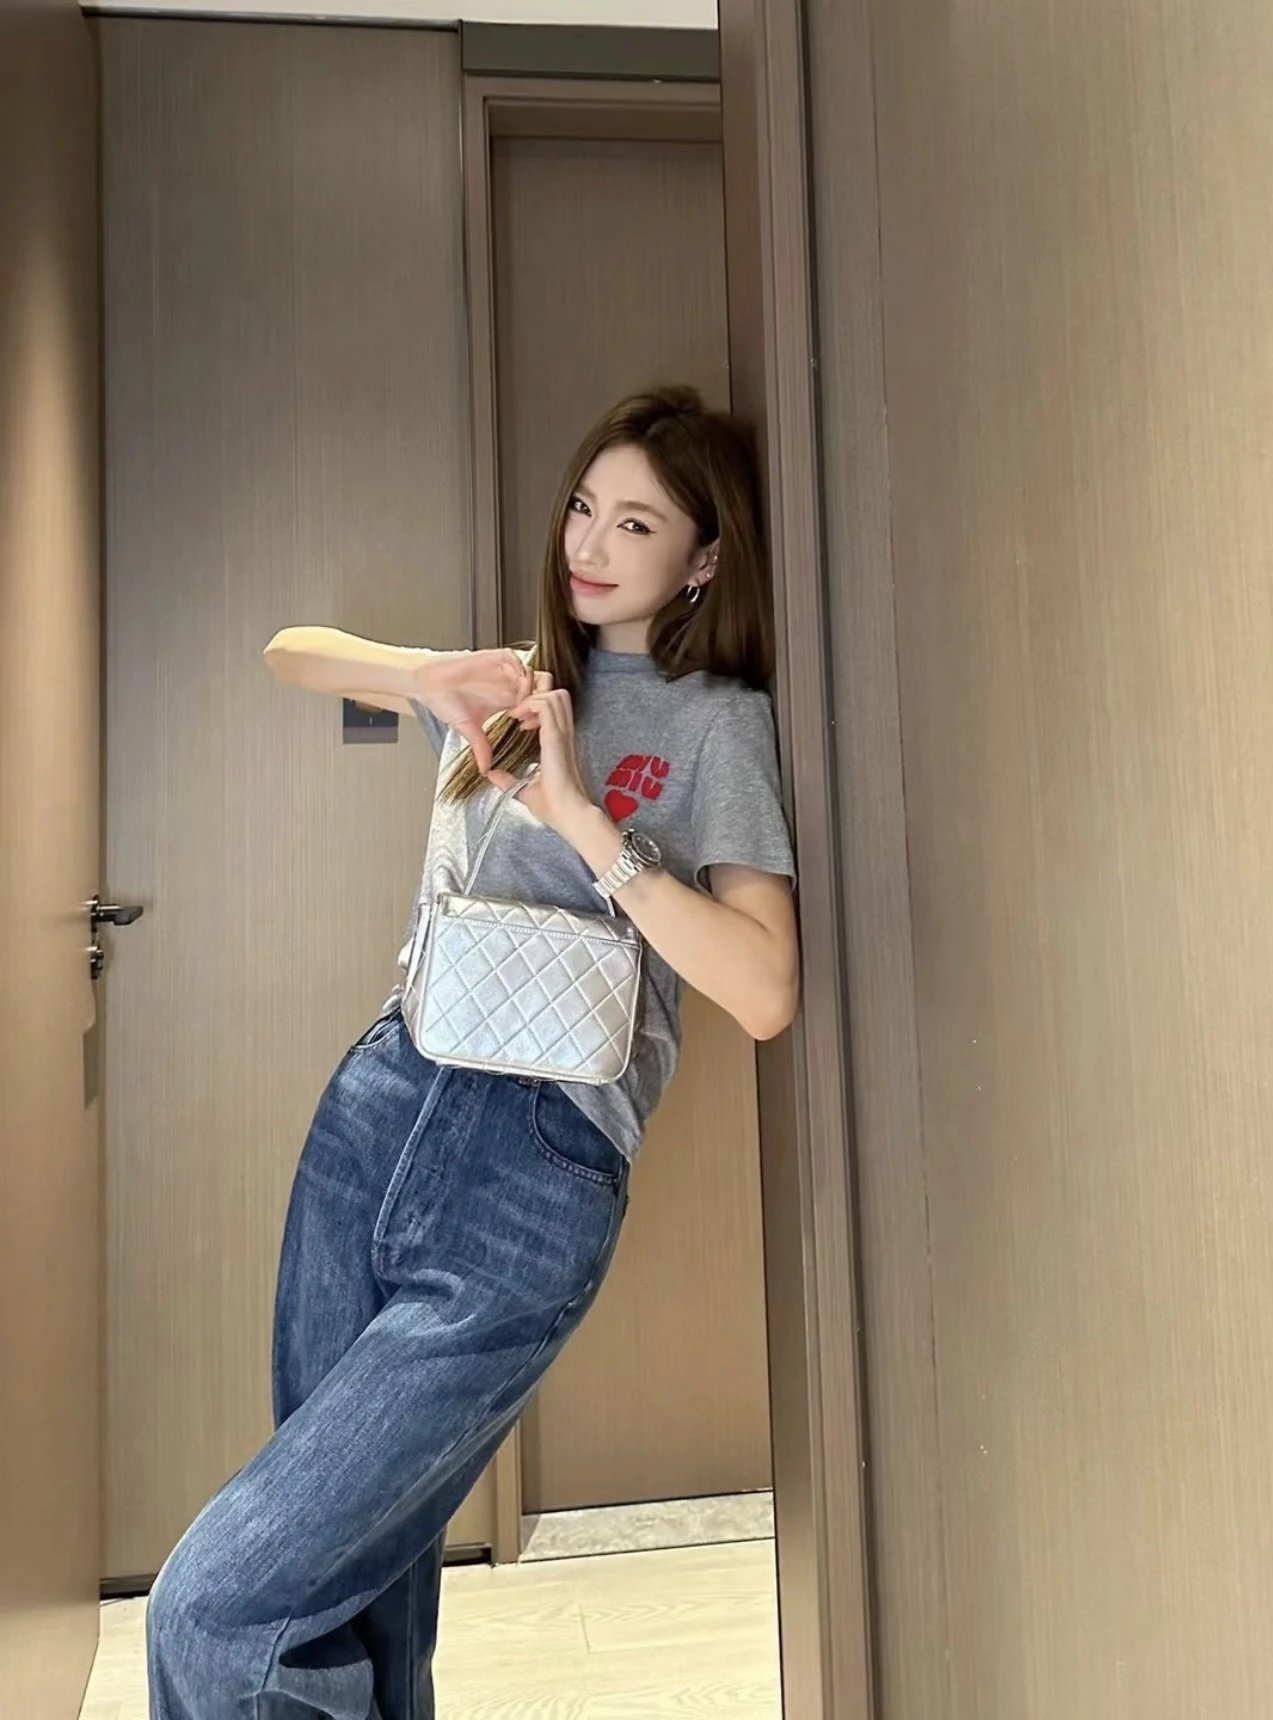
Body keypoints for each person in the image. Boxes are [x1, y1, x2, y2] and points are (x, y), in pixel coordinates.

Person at [145, 384, 800, 1719]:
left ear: (703, 559)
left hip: (531, 1174)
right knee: (358, 1593)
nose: (590, 544)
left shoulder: (713, 725)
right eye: (582, 507)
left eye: (636, 524)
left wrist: (582, 817)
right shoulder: (511, 683)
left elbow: (763, 990)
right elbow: (289, 652)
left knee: (214, 1609)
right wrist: (423, 678)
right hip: (377, 1114)